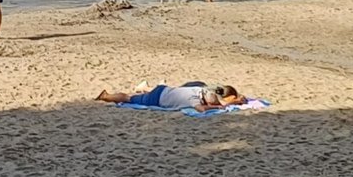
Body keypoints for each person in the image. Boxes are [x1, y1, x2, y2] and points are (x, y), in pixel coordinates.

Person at [96, 82, 248, 110]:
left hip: (164, 91)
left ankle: (143, 87)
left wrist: (234, 100)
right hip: (157, 99)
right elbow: (202, 109)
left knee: (131, 97)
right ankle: (106, 96)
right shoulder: (194, 98)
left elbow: (220, 97)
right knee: (128, 98)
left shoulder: (199, 89)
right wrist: (228, 105)